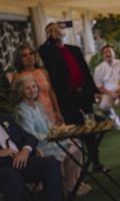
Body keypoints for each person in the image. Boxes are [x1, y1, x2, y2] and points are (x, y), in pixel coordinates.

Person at [0, 111, 78, 201]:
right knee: (11, 178)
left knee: (50, 164)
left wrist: (25, 150)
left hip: (21, 159)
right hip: (2, 167)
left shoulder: (5, 118)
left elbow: (29, 137)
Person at [38, 22, 107, 172]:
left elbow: (85, 71)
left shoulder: (74, 49)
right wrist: (51, 38)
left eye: (57, 30)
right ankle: (79, 167)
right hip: (67, 98)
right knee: (75, 132)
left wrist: (94, 91)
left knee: (90, 129)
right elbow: (45, 52)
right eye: (51, 31)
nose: (56, 32)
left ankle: (95, 162)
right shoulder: (48, 52)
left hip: (83, 94)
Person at [13, 76, 91, 196]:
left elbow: (49, 126)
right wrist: (53, 135)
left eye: (34, 87)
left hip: (51, 141)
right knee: (74, 148)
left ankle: (72, 183)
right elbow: (30, 135)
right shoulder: (21, 111)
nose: (32, 90)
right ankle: (70, 186)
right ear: (20, 91)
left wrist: (59, 130)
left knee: (76, 143)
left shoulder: (38, 105)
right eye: (27, 88)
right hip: (38, 148)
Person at [12, 44, 63, 124]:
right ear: (19, 59)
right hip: (34, 115)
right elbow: (14, 99)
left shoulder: (43, 71)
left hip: (50, 112)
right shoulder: (18, 76)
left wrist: (58, 112)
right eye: (24, 56)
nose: (29, 57)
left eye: (31, 53)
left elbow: (51, 92)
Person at [92, 45, 120, 130]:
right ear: (103, 55)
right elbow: (100, 87)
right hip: (109, 93)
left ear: (114, 53)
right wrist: (112, 94)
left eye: (110, 51)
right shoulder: (98, 69)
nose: (108, 54)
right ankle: (116, 121)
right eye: (105, 52)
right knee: (104, 106)